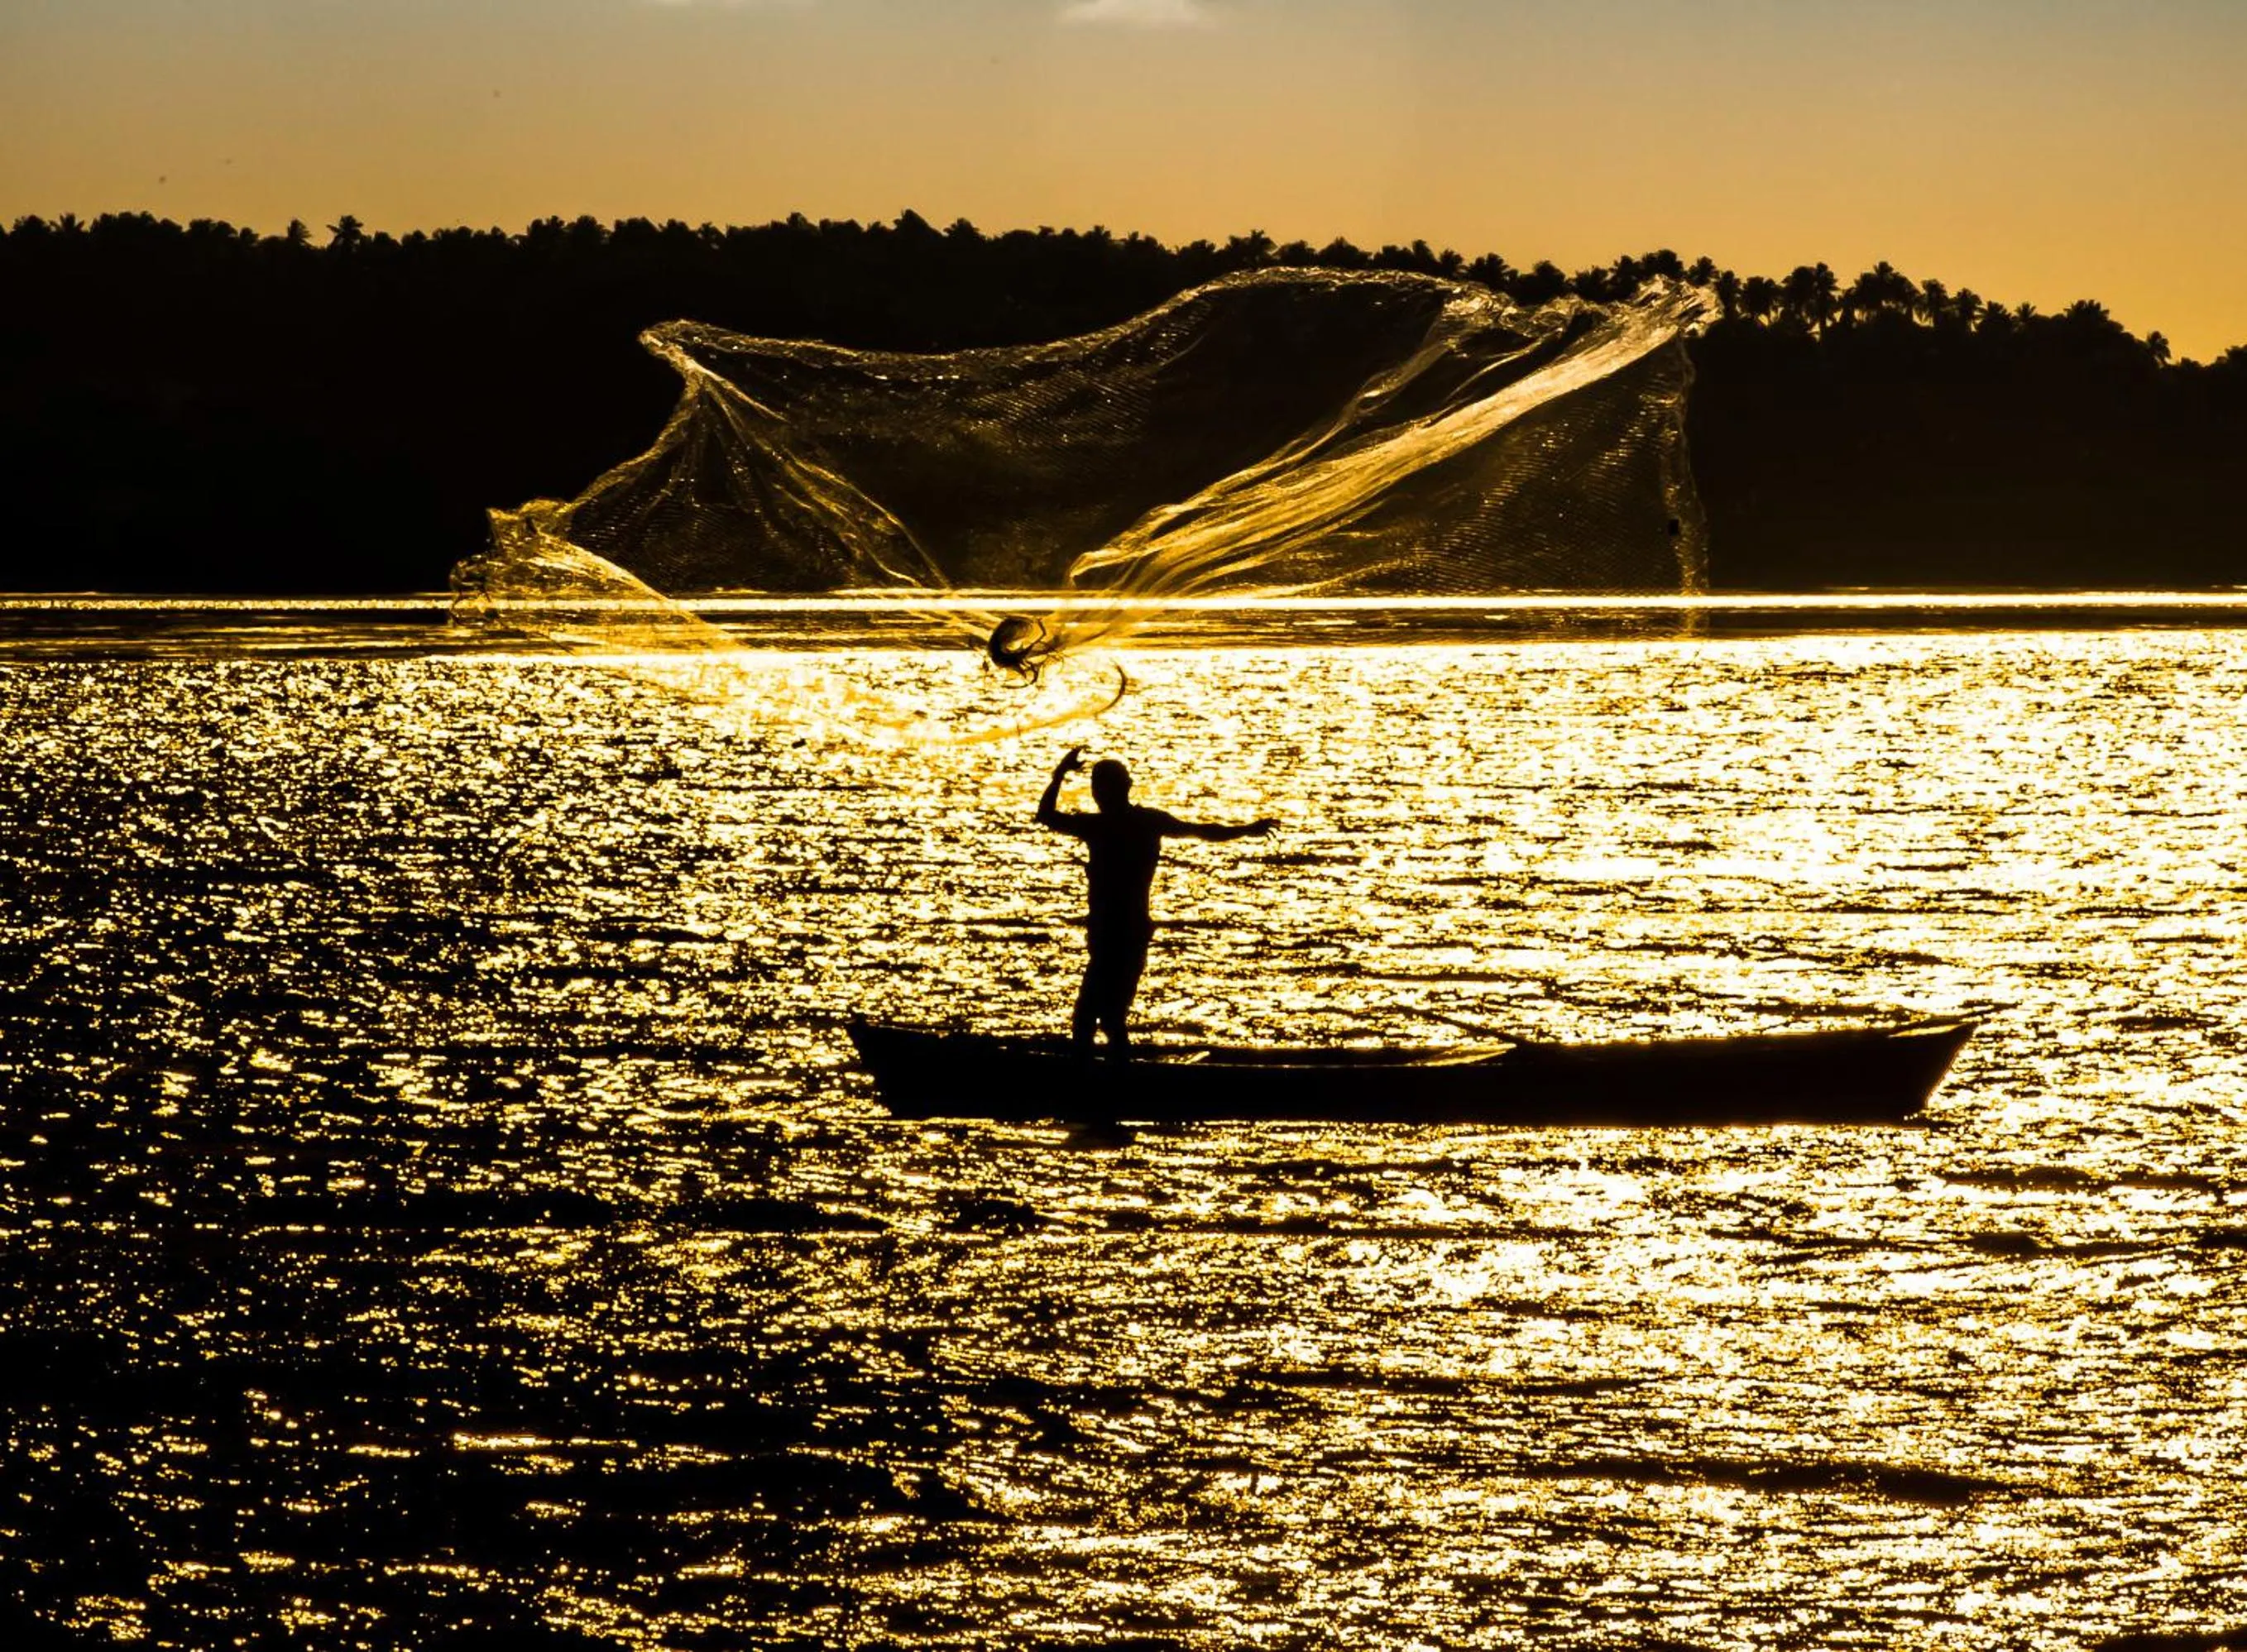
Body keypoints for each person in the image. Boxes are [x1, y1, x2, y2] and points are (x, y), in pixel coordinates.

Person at [1037, 746, 1276, 1063]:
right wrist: (1247, 830)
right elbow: (1046, 816)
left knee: (1101, 1017)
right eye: (1097, 787)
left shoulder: (1117, 825)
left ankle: (1107, 1087)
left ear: (1118, 789)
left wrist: (1060, 775)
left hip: (1124, 936)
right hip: (1116, 935)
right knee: (1098, 1016)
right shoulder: (1116, 824)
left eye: (1102, 786)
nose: (1098, 794)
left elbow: (1203, 831)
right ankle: (1100, 1083)